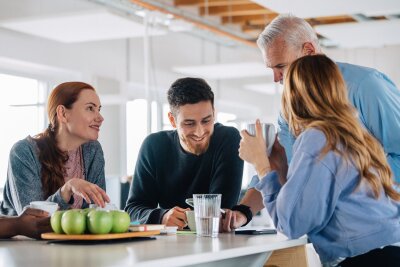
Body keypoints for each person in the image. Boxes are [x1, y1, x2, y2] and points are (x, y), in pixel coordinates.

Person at [221, 13, 400, 231]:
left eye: (281, 67)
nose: (276, 78)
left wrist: (345, 188)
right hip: (335, 236)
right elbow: (279, 167)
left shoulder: (366, 86)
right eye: (272, 69)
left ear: (308, 51)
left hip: (379, 228)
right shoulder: (290, 111)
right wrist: (244, 211)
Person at [240, 54, 400, 266]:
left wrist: (261, 165)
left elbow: (292, 224)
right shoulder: (353, 131)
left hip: (366, 259)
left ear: (294, 96)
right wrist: (279, 166)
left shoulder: (318, 138)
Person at [125, 77, 244, 228]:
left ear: (214, 113)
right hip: (169, 245)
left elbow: (219, 212)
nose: (199, 131)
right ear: (172, 120)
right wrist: (162, 216)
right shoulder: (154, 146)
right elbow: (132, 211)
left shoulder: (228, 139)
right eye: (189, 123)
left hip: (216, 243)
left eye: (206, 120)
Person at [0, 82, 110, 216]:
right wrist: (67, 190)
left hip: (70, 237)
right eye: (90, 108)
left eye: (99, 109)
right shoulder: (23, 152)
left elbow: (97, 212)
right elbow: (33, 219)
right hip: (21, 237)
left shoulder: (92, 150)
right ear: (63, 113)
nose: (100, 118)